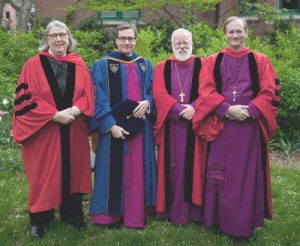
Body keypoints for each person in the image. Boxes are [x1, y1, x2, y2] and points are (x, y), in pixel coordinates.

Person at [193, 16, 280, 238]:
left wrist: (250, 111)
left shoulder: (260, 60)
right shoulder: (213, 61)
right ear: (224, 34)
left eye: (239, 32)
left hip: (249, 129)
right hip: (221, 127)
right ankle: (219, 220)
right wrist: (226, 109)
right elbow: (205, 91)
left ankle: (244, 224)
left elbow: (270, 91)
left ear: (246, 33)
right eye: (230, 32)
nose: (235, 36)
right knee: (220, 174)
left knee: (245, 176)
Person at [12, 20, 94, 238]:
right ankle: (40, 219)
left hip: (73, 128)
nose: (59, 39)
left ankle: (73, 215)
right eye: (54, 35)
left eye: (63, 35)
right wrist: (54, 115)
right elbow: (26, 99)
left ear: (69, 38)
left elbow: (88, 95)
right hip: (45, 131)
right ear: (46, 39)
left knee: (73, 171)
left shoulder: (78, 64)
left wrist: (75, 111)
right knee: (44, 174)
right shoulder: (32, 65)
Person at [88, 22, 157, 229]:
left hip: (140, 129)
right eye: (122, 38)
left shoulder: (144, 64)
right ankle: (109, 217)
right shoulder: (102, 65)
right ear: (116, 40)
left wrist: (148, 102)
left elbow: (153, 92)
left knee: (138, 169)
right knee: (112, 170)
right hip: (113, 130)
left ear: (136, 40)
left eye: (130, 38)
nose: (127, 42)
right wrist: (110, 125)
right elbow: (97, 97)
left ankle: (137, 212)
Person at [153, 28, 206, 225]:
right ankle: (170, 209)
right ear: (172, 45)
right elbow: (158, 93)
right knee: (171, 166)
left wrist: (194, 108)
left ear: (192, 43)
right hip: (172, 126)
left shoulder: (203, 64)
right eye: (178, 43)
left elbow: (209, 91)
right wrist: (176, 109)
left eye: (186, 42)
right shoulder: (162, 66)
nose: (182, 46)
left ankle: (194, 212)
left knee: (195, 168)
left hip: (195, 126)